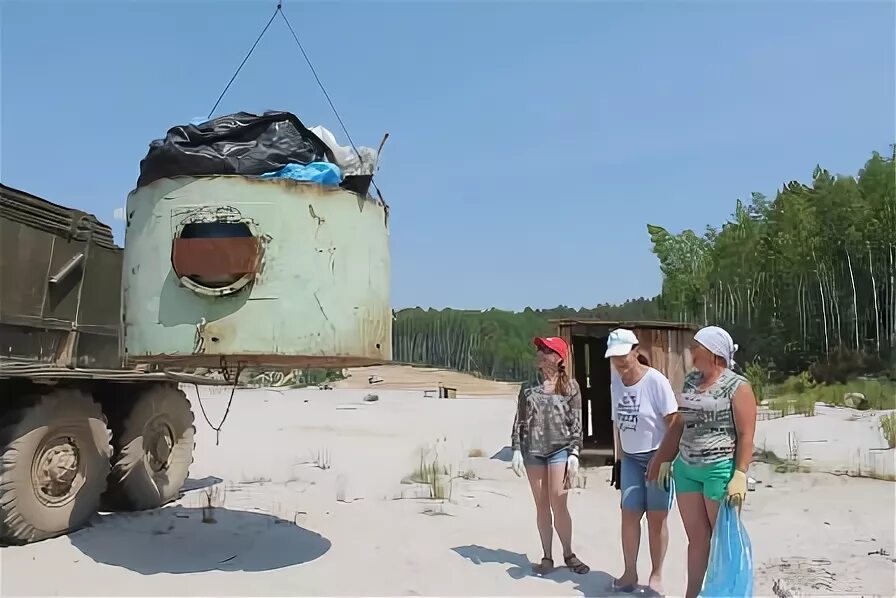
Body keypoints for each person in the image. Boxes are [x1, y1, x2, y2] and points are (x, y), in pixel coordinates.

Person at [648, 325, 758, 598]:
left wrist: (740, 474)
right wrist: (663, 459)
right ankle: (693, 594)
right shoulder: (691, 382)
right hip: (686, 470)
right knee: (697, 540)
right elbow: (679, 424)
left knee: (723, 541)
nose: (691, 351)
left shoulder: (738, 386)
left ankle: (722, 592)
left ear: (712, 352)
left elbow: (746, 435)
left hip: (719, 471)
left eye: (696, 346)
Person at [605, 328, 679, 594]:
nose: (619, 362)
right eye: (614, 358)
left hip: (658, 455)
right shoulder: (616, 379)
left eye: (623, 356)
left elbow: (673, 423)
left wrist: (663, 460)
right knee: (629, 515)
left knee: (657, 518)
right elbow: (618, 423)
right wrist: (619, 458)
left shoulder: (656, 382)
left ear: (635, 351)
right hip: (631, 459)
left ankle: (656, 573)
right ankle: (629, 572)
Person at [510, 336, 590, 576]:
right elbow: (520, 419)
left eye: (545, 350)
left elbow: (576, 423)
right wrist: (515, 448)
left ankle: (568, 552)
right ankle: (547, 556)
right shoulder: (527, 387)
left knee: (559, 500)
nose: (540, 354)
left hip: (559, 450)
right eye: (539, 349)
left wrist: (575, 452)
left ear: (557, 357)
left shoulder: (570, 387)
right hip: (533, 451)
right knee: (541, 504)